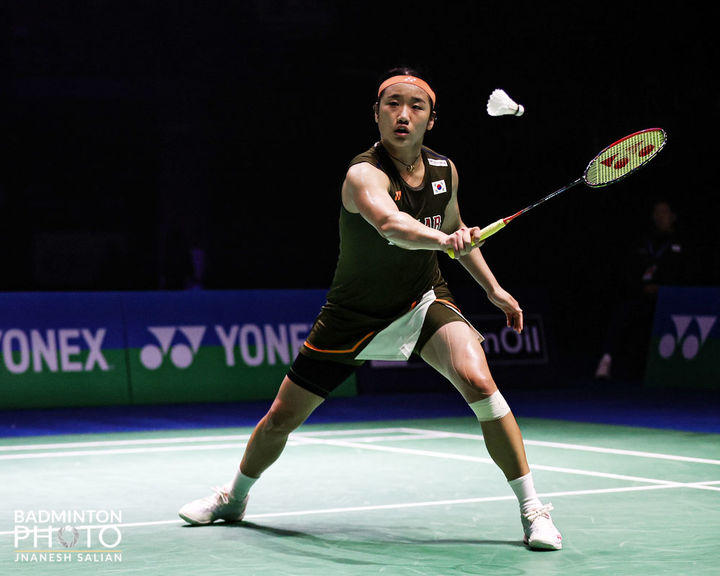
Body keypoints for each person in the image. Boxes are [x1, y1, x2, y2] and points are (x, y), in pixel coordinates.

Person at [179, 67, 563, 550]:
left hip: (421, 299)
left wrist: (493, 288)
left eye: (416, 106)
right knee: (281, 418)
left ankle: (533, 511)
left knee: (480, 383)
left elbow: (454, 226)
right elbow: (391, 225)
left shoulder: (445, 171)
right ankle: (233, 498)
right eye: (392, 104)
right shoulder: (363, 174)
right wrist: (444, 241)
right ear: (376, 114)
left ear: (431, 120)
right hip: (353, 313)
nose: (403, 114)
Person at [595, 198, 687, 381]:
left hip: (670, 298)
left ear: (673, 216)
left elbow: (685, 275)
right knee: (622, 311)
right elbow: (629, 272)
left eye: (664, 212)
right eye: (657, 212)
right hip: (641, 294)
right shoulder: (643, 242)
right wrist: (642, 287)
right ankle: (606, 359)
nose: (660, 217)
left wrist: (663, 288)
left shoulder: (681, 243)